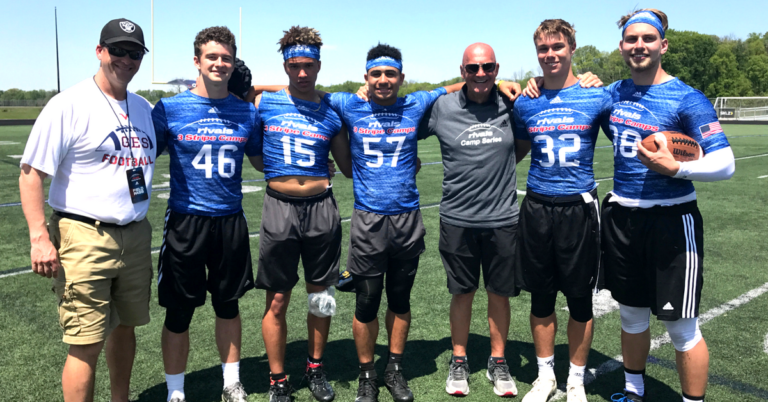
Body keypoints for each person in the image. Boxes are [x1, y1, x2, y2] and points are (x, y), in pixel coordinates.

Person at [525, 9, 737, 402]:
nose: (639, 45)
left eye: (647, 39)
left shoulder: (687, 97)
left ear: (663, 45)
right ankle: (633, 391)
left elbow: (725, 163)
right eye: (631, 39)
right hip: (621, 217)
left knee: (681, 327)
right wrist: (531, 82)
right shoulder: (613, 93)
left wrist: (678, 169)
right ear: (622, 46)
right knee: (631, 314)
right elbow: (573, 100)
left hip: (672, 219)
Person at [18, 18, 156, 402]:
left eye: (134, 53)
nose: (126, 60)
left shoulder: (143, 107)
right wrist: (39, 237)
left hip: (135, 232)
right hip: (84, 235)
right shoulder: (69, 104)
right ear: (100, 51)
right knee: (85, 341)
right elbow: (31, 174)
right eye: (118, 50)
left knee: (125, 327)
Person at [324, 44, 468, 402]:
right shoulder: (349, 103)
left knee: (400, 299)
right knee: (367, 302)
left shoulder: (415, 104)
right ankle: (367, 374)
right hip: (368, 219)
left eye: (391, 74)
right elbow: (303, 92)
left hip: (407, 219)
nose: (384, 80)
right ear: (366, 77)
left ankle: (395, 369)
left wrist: (507, 83)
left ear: (401, 78)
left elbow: (452, 87)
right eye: (377, 74)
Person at [151, 26, 262, 402]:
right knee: (179, 311)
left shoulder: (246, 112)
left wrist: (314, 166)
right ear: (197, 61)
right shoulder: (169, 108)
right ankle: (176, 391)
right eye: (212, 56)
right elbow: (140, 154)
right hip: (186, 220)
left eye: (226, 57)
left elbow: (263, 159)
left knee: (228, 305)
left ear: (234, 63)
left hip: (230, 220)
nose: (219, 63)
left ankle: (231, 383)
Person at [243, 26, 352, 402]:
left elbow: (349, 167)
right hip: (279, 205)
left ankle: (315, 368)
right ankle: (278, 379)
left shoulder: (332, 108)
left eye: (308, 65)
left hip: (322, 206)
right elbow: (256, 157)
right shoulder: (265, 102)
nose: (302, 73)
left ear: (319, 65)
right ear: (285, 66)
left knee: (321, 294)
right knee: (276, 299)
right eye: (294, 66)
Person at [511, 20, 612, 402]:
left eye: (557, 47)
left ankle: (576, 380)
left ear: (572, 48)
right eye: (543, 49)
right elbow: (516, 151)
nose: (550, 54)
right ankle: (545, 376)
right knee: (540, 298)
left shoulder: (596, 95)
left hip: (579, 210)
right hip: (537, 207)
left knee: (580, 300)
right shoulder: (526, 100)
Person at [416, 43, 523, 398]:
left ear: (497, 69)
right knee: (462, 292)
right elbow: (399, 128)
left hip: (503, 217)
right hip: (457, 218)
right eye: (473, 68)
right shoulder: (442, 107)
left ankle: (497, 359)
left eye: (488, 67)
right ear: (462, 70)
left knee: (499, 293)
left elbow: (523, 143)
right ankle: (459, 359)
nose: (481, 74)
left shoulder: (512, 102)